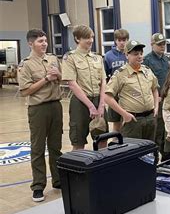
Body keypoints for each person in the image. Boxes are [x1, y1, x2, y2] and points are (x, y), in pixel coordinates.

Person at [18, 29, 63, 202]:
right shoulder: (26, 64)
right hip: (38, 109)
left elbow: (62, 79)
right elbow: (25, 91)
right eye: (39, 41)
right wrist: (46, 79)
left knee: (55, 146)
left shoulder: (52, 59)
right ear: (30, 44)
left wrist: (57, 75)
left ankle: (58, 181)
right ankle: (38, 186)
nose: (44, 43)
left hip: (55, 106)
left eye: (45, 40)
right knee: (37, 148)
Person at [62, 25, 108, 150]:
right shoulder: (70, 58)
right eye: (86, 38)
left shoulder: (97, 58)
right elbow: (72, 84)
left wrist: (102, 104)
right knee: (78, 141)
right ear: (77, 39)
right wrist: (90, 106)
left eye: (92, 37)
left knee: (102, 139)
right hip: (80, 103)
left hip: (99, 100)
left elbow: (103, 81)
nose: (91, 40)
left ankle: (102, 169)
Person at [104, 40, 160, 142]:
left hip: (150, 118)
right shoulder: (120, 74)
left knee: (150, 152)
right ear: (126, 55)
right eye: (135, 54)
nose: (139, 56)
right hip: (133, 121)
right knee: (133, 153)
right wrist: (124, 114)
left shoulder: (147, 71)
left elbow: (155, 89)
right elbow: (107, 97)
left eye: (141, 53)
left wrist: (156, 107)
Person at [143, 33, 170, 161]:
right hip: (156, 100)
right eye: (159, 44)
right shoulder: (147, 60)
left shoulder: (166, 59)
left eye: (164, 44)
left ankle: (165, 155)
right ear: (152, 45)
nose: (162, 46)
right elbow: (146, 82)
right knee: (158, 129)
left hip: (167, 99)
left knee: (166, 128)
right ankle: (155, 157)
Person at [104, 28, 129, 133]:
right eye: (119, 40)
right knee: (116, 123)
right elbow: (105, 75)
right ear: (115, 41)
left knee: (128, 122)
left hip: (128, 92)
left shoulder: (131, 53)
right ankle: (115, 144)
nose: (122, 43)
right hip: (115, 94)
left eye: (124, 40)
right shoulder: (108, 55)